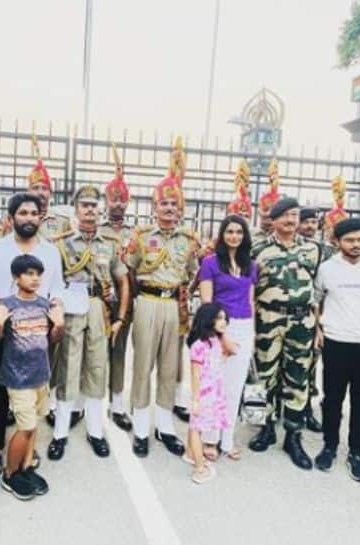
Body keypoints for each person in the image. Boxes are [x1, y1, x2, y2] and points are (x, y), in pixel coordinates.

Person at [0, 192, 65, 476]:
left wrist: (58, 311)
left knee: (37, 385)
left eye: (33, 213)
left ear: (41, 216)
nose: (28, 218)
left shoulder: (50, 252)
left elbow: (57, 288)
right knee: (1, 385)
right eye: (22, 213)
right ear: (11, 218)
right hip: (6, 326)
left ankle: (26, 442)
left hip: (38, 328)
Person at [122, 137, 200, 458]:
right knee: (143, 366)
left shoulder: (188, 239)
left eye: (174, 204)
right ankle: (141, 427)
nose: (169, 209)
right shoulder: (141, 238)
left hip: (173, 306)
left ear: (180, 209)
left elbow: (194, 273)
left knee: (170, 367)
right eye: (163, 204)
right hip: (148, 303)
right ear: (154, 208)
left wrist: (184, 296)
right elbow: (128, 272)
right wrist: (140, 298)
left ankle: (164, 426)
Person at [49, 184, 130, 460]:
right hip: (72, 307)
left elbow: (122, 279)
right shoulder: (62, 244)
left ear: (101, 209)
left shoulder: (110, 245)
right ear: (76, 209)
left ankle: (95, 431)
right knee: (68, 367)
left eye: (94, 205)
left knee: (97, 367)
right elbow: (54, 282)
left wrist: (120, 316)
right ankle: (60, 433)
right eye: (84, 205)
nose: (90, 210)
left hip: (98, 307)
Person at [312, 218, 360, 482]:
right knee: (332, 399)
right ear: (337, 242)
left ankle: (356, 452)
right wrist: (319, 330)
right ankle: (329, 446)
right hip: (336, 341)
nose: (355, 245)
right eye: (349, 240)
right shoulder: (326, 269)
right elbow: (317, 300)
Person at [249, 197, 322, 470]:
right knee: (262, 377)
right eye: (285, 216)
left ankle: (294, 435)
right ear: (274, 219)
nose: (291, 220)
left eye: (294, 215)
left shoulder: (314, 250)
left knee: (297, 377)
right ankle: (264, 428)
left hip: (303, 320)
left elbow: (321, 289)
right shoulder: (258, 249)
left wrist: (319, 326)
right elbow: (249, 288)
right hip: (268, 317)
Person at [0, 255, 64, 500]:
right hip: (17, 377)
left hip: (40, 374)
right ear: (16, 277)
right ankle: (10, 475)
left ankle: (26, 466)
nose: (35, 279)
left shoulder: (45, 304)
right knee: (26, 426)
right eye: (29, 274)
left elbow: (53, 340)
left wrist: (59, 326)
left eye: (38, 274)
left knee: (35, 425)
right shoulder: (6, 304)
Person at [197, 213, 258, 461]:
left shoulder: (251, 266)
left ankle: (227, 440)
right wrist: (220, 337)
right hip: (218, 327)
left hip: (244, 327)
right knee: (215, 386)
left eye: (239, 232)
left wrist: (251, 335)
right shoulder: (210, 263)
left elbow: (251, 301)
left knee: (234, 388)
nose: (234, 236)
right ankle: (209, 439)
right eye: (229, 231)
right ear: (222, 235)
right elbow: (206, 303)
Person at [99, 144, 135, 432]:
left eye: (122, 201)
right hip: (98, 301)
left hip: (125, 301)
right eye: (114, 200)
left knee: (119, 351)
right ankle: (79, 404)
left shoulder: (137, 234)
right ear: (105, 201)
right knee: (91, 349)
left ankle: (118, 403)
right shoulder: (96, 232)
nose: (118, 205)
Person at [185, 303, 231, 485]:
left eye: (224, 318)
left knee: (195, 426)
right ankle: (199, 467)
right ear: (208, 319)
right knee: (197, 429)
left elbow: (231, 351)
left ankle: (191, 453)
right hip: (204, 394)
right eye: (218, 318)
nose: (223, 322)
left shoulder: (216, 342)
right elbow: (195, 374)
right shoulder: (199, 346)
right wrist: (196, 399)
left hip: (215, 392)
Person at [26, 135, 71, 241]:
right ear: (28, 192)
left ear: (51, 193)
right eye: (35, 188)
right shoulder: (19, 218)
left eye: (44, 188)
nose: (40, 192)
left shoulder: (62, 221)